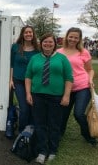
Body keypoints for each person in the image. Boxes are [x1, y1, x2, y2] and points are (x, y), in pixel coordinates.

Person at [25, 33, 73, 164]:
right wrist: (28, 94)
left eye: (50, 42)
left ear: (54, 44)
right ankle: (42, 151)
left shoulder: (62, 59)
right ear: (41, 43)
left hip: (56, 97)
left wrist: (66, 95)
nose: (47, 44)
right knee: (40, 124)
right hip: (37, 96)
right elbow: (28, 76)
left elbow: (69, 78)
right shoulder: (35, 58)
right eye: (45, 42)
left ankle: (53, 150)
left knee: (54, 124)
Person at [57, 27, 98, 147]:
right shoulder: (59, 52)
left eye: (76, 37)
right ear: (67, 36)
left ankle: (88, 136)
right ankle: (59, 134)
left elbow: (90, 70)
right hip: (65, 88)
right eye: (71, 36)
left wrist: (90, 80)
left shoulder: (84, 52)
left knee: (79, 113)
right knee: (63, 114)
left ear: (79, 39)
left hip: (82, 87)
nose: (73, 39)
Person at [9, 25, 39, 133]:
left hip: (34, 82)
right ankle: (21, 131)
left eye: (30, 32)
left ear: (33, 34)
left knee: (32, 107)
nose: (28, 34)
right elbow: (11, 64)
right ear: (22, 34)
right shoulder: (15, 47)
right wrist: (10, 79)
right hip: (18, 81)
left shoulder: (38, 50)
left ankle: (31, 130)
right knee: (24, 108)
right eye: (26, 32)